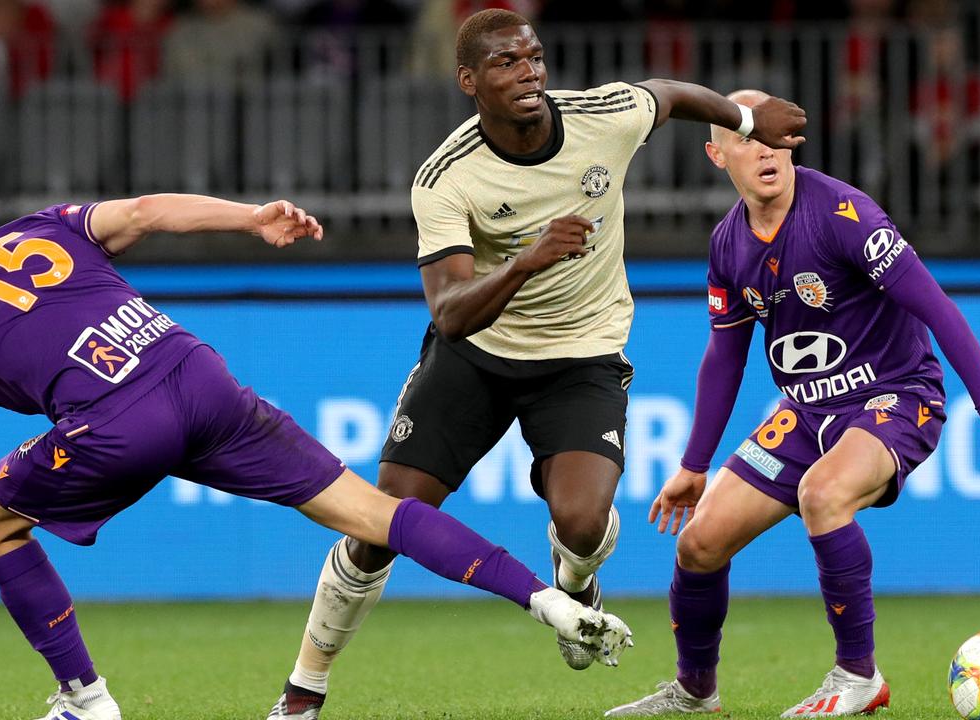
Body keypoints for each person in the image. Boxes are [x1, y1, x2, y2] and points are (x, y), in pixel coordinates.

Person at [0, 194, 634, 720]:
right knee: (375, 513)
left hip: (112, 425)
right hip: (195, 373)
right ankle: (549, 600)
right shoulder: (42, 228)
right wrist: (251, 218)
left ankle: (85, 697)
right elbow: (143, 214)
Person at [283, 9, 808, 719]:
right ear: (469, 80)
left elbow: (675, 94)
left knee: (584, 520)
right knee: (380, 524)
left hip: (583, 354)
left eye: (533, 57)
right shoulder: (445, 178)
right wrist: (527, 260)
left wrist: (745, 124)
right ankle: (303, 691)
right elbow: (451, 313)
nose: (528, 72)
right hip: (476, 356)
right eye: (506, 63)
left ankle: (578, 581)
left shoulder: (604, 116)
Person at [603, 90, 980, 718]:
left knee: (823, 494)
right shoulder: (728, 244)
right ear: (717, 155)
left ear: (791, 142)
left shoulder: (844, 213)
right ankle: (695, 691)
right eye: (745, 138)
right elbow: (724, 357)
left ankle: (858, 677)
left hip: (894, 396)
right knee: (698, 544)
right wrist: (694, 463)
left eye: (773, 137)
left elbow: (935, 306)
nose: (764, 150)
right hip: (806, 411)